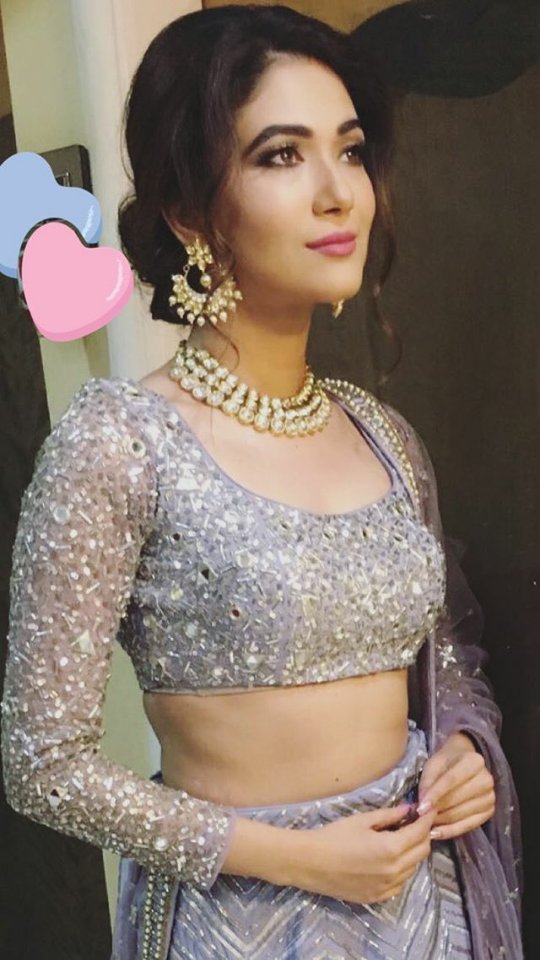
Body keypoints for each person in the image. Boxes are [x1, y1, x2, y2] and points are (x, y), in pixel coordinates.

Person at [0, 5, 523, 959]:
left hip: (425, 906)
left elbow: (446, 660)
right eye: (282, 155)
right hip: (243, 924)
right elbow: (44, 763)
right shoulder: (120, 443)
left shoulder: (384, 436)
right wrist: (297, 858)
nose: (339, 193)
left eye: (350, 151)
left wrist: (462, 752)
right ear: (190, 210)